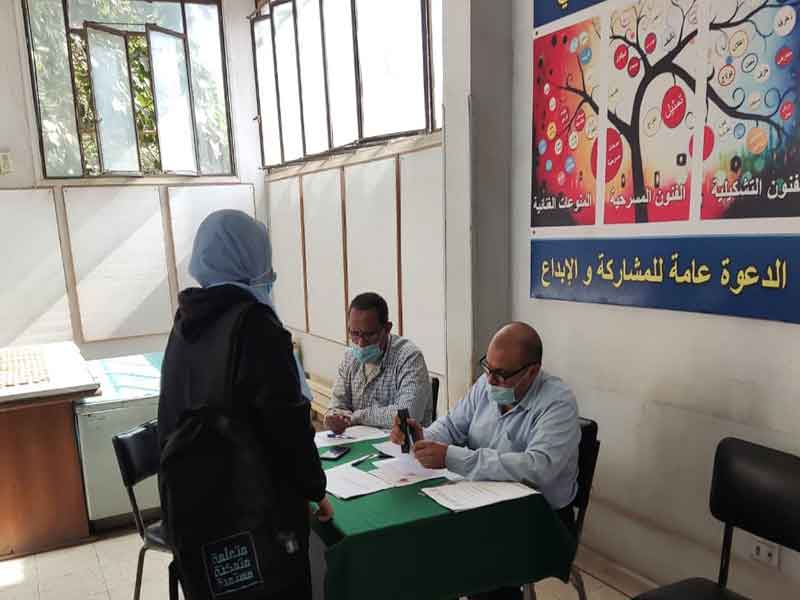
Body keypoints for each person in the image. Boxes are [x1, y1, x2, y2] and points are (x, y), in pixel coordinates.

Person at [158, 209, 332, 600]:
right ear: (250, 256)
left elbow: (169, 413)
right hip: (257, 513)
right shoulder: (255, 324)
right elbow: (286, 424)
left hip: (197, 512)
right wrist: (315, 489)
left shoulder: (187, 321)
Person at [391, 322, 580, 600]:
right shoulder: (487, 384)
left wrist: (452, 457)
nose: (490, 381)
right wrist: (422, 437)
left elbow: (537, 469)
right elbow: (453, 426)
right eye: (488, 368)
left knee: (478, 561)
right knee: (425, 542)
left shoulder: (558, 403)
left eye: (501, 375)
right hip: (482, 500)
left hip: (539, 517)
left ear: (532, 372)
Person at [324, 292, 433, 432]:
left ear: (387, 329)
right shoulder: (350, 357)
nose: (361, 343)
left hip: (402, 447)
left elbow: (408, 415)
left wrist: (358, 416)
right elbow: (337, 404)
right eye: (354, 333)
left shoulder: (408, 357)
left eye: (369, 335)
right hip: (359, 443)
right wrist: (334, 418)